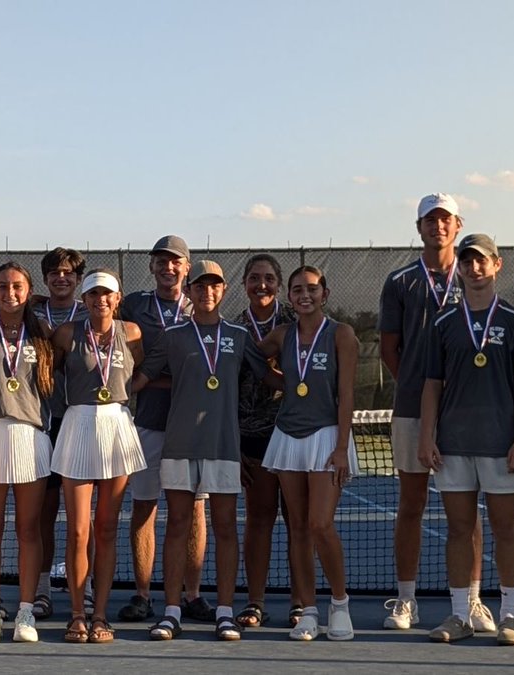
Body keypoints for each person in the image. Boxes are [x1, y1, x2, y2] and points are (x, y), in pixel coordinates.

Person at [135, 260, 273, 642]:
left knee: (226, 527)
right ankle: (172, 612)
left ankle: (225, 612)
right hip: (179, 444)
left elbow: (269, 376)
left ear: (223, 290)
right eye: (199, 286)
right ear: (190, 290)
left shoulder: (239, 335)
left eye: (214, 285)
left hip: (224, 446)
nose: (206, 292)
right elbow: (141, 378)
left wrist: (318, 383)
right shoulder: (174, 335)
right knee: (178, 524)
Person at [378, 193, 491, 632]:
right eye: (430, 219)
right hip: (410, 411)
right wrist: (416, 384)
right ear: (419, 225)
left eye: (445, 219)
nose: (438, 226)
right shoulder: (400, 281)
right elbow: (390, 347)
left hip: (466, 413)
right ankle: (406, 602)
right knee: (412, 504)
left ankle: (474, 601)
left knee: (467, 510)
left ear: (458, 224)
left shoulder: (475, 278)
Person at [420, 234, 514, 646]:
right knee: (458, 530)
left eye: (481, 261)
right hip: (452, 444)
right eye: (467, 261)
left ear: (497, 265)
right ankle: (460, 615)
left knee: (506, 529)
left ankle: (511, 616)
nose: (474, 268)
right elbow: (432, 385)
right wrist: (426, 435)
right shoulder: (443, 322)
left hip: (501, 444)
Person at [259, 265, 360, 642]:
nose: (305, 295)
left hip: (326, 437)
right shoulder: (282, 335)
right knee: (297, 528)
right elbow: (254, 360)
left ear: (325, 294)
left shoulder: (341, 334)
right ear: (289, 297)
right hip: (287, 436)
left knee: (320, 524)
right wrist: (281, 383)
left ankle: (339, 604)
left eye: (312, 289)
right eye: (298, 289)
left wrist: (341, 449)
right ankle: (309, 610)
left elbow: (347, 394)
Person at [117, 235, 210, 624]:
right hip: (148, 423)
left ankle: (191, 595)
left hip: (194, 426)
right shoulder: (134, 305)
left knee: (195, 511)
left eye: (176, 262)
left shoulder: (203, 306)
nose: (168, 267)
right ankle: (142, 594)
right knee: (144, 507)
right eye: (161, 261)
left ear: (187, 267)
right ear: (152, 266)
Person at [51, 269, 145, 643]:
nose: (100, 300)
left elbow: (139, 372)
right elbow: (51, 371)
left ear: (116, 298)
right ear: (85, 299)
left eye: (106, 294)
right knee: (77, 530)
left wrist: (119, 397)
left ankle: (101, 615)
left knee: (107, 529)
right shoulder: (66, 334)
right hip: (78, 424)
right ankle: (77, 613)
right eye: (93, 294)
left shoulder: (133, 332)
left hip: (116, 426)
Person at [0, 262, 56, 643]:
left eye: (17, 286)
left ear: (29, 292)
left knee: (28, 529)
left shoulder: (44, 333)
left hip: (30, 436)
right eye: (2, 286)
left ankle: (24, 613)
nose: (10, 293)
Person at [232, 253, 303, 628]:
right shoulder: (232, 328)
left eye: (269, 279)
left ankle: (299, 602)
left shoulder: (299, 324)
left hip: (294, 436)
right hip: (252, 439)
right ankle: (255, 602)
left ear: (279, 285)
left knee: (298, 521)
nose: (262, 285)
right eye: (254, 278)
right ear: (244, 283)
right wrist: (234, 443)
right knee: (259, 519)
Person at [31, 246, 87, 620]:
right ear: (45, 278)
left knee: (84, 519)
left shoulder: (96, 312)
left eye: (68, 272)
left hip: (81, 426)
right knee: (43, 515)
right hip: (41, 424)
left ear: (79, 278)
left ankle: (87, 588)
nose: (61, 278)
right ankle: (42, 589)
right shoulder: (30, 313)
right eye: (54, 272)